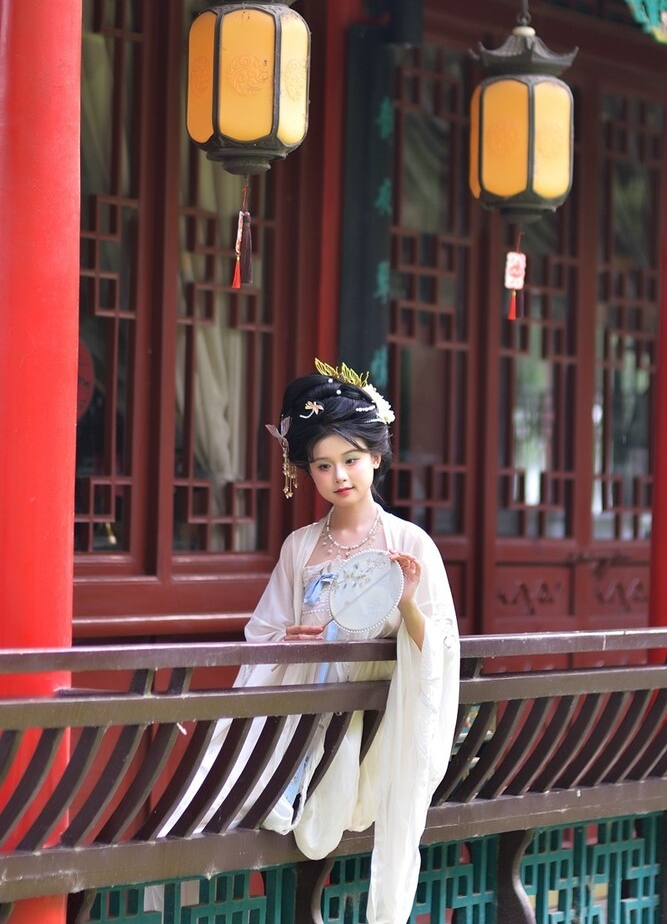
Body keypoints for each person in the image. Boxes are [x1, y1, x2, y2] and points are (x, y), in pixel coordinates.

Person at [147, 360, 460, 924]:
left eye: (351, 459)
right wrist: (289, 637)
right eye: (323, 465)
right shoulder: (300, 546)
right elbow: (264, 632)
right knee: (213, 787)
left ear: (376, 457)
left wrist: (408, 601)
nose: (339, 475)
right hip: (300, 703)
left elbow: (437, 647)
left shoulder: (409, 542)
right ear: (307, 472)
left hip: (362, 722)